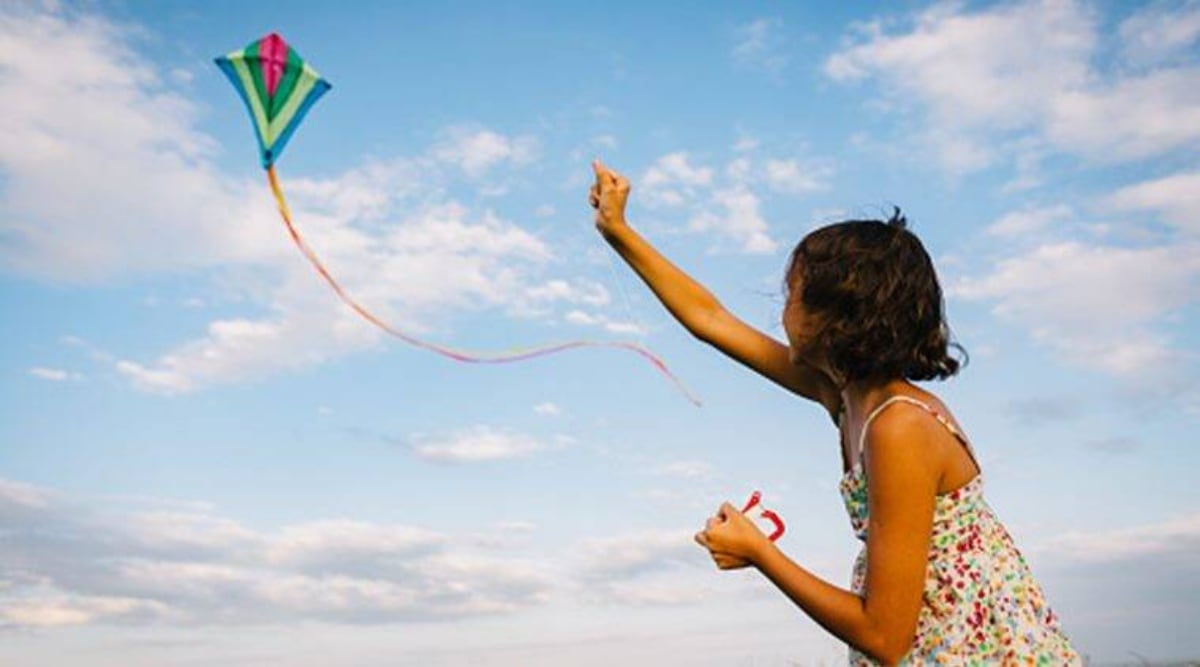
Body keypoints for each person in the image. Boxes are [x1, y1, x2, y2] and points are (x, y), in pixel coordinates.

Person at [588, 160, 1081, 665]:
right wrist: (619, 231)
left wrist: (760, 553)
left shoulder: (898, 426)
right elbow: (709, 318)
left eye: (792, 295)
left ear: (837, 318)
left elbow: (885, 636)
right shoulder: (846, 398)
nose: (782, 311)